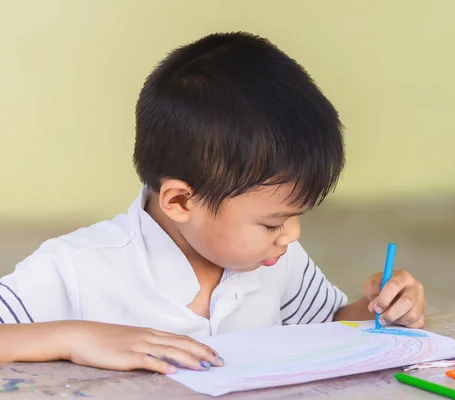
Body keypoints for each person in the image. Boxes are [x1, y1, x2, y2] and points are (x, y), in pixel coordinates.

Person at [0, 32, 425, 375]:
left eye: (295, 217)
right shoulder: (78, 267)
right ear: (181, 201)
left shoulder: (277, 261)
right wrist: (75, 337)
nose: (291, 236)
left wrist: (381, 312)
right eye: (273, 223)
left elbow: (326, 327)